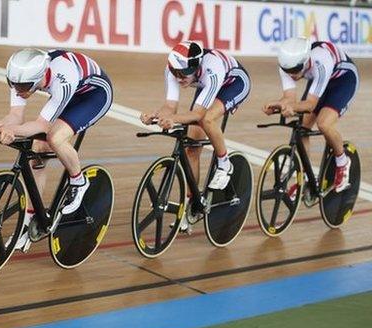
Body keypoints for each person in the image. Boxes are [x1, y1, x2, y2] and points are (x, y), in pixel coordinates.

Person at [0, 48, 113, 251]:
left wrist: (11, 131)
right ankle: (32, 217)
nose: (18, 90)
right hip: (69, 93)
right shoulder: (20, 75)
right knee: (37, 150)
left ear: (39, 78)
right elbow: (15, 117)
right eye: (13, 84)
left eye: (23, 87)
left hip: (93, 96)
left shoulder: (62, 77)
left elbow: (42, 125)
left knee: (55, 137)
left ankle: (78, 181)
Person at [140, 40, 251, 232]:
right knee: (192, 148)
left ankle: (225, 164)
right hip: (205, 84)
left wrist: (173, 119)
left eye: (183, 74)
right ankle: (193, 206)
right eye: (175, 73)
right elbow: (170, 107)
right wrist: (156, 116)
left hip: (233, 83)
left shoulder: (212, 67)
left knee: (207, 119)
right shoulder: (174, 70)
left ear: (196, 66)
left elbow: (199, 115)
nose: (179, 77)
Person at [263, 37, 358, 195]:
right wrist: (278, 105)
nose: (292, 75)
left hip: (342, 81)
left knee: (324, 124)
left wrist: (289, 107)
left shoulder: (321, 61)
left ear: (306, 61)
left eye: (295, 70)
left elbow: (310, 105)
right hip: (319, 81)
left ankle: (342, 162)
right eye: (288, 71)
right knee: (302, 129)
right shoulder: (287, 65)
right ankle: (307, 178)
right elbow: (290, 99)